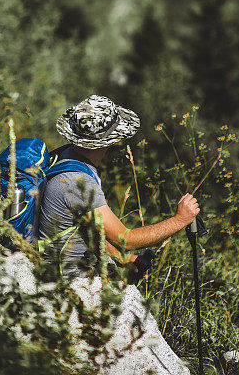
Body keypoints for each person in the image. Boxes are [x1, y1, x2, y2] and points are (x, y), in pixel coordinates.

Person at [38, 94, 199, 374]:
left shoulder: (65, 156)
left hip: (60, 267)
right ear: (109, 141)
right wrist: (179, 220)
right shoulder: (78, 182)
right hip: (69, 281)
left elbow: (83, 227)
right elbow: (124, 237)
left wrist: (120, 260)